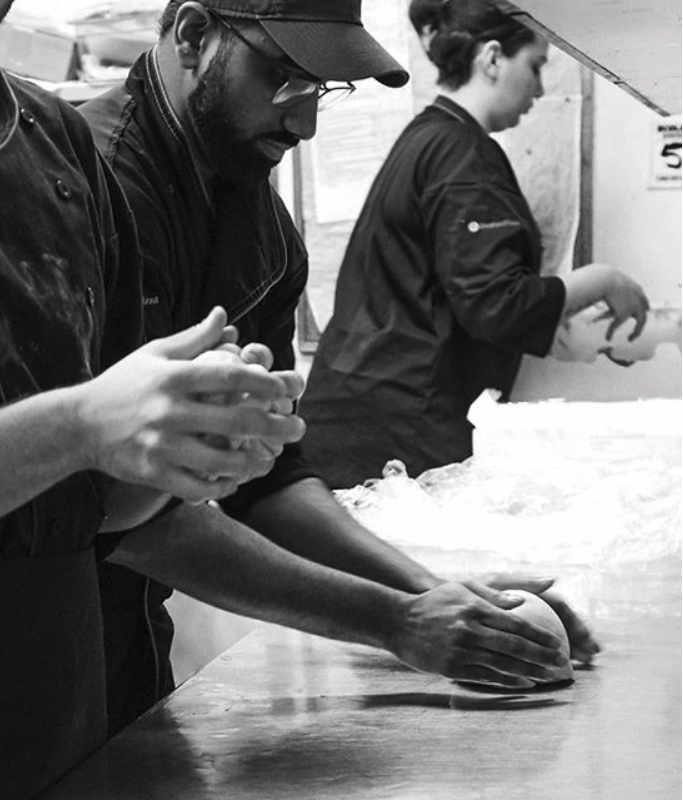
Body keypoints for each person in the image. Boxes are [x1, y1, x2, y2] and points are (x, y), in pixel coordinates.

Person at [80, 0, 599, 737]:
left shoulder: (262, 231)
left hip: (127, 633)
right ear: (193, 35)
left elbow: (268, 480)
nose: (305, 123)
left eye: (322, 90)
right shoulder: (85, 190)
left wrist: (435, 594)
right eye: (285, 77)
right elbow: (110, 512)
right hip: (21, 642)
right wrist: (395, 620)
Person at [0, 0, 307, 796]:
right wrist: (80, 425)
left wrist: (184, 445)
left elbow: (102, 511)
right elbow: (79, 434)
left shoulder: (58, 143)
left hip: (65, 727)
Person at [298, 0, 651, 489]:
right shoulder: (462, 155)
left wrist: (565, 326)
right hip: (394, 431)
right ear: (492, 58)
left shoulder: (432, 137)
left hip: (364, 417)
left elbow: (456, 296)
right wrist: (603, 280)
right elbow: (494, 304)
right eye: (536, 66)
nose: (540, 89)